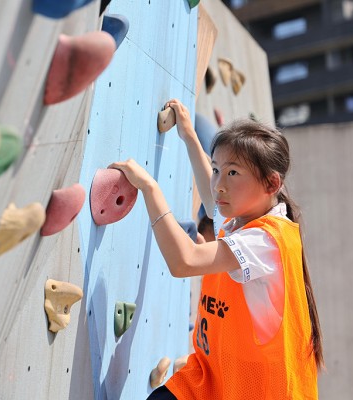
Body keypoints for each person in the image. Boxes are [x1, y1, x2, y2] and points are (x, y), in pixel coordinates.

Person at [109, 99, 323, 399]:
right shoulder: (244, 217)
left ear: (271, 183)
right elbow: (212, 200)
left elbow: (184, 261)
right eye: (216, 170)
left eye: (233, 173)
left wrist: (149, 188)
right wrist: (189, 135)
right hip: (212, 381)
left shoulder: (265, 241)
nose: (220, 184)